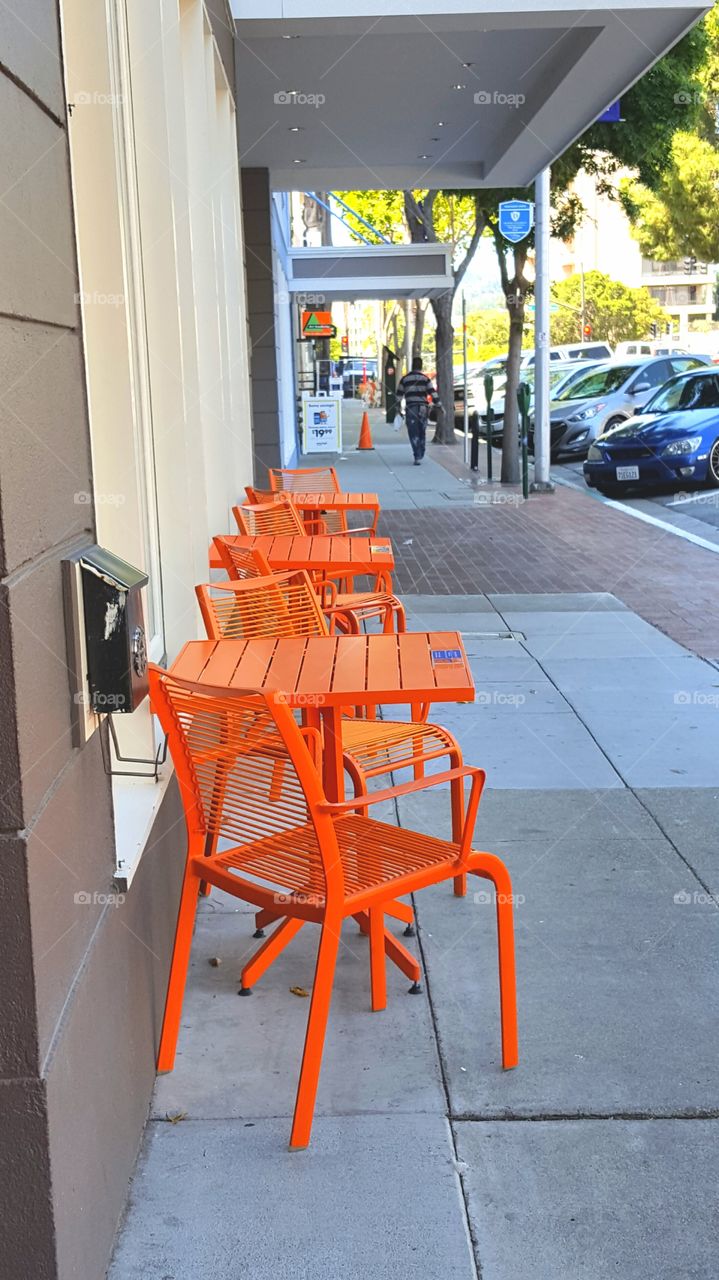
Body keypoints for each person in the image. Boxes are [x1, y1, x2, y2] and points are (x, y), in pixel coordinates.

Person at [396, 357, 441, 465]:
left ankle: (417, 455)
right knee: (422, 430)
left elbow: (398, 396)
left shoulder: (405, 379)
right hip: (423, 409)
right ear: (421, 366)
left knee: (413, 432)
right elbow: (433, 393)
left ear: (412, 365)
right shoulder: (425, 379)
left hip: (411, 408)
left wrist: (398, 410)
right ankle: (421, 450)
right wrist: (439, 404)